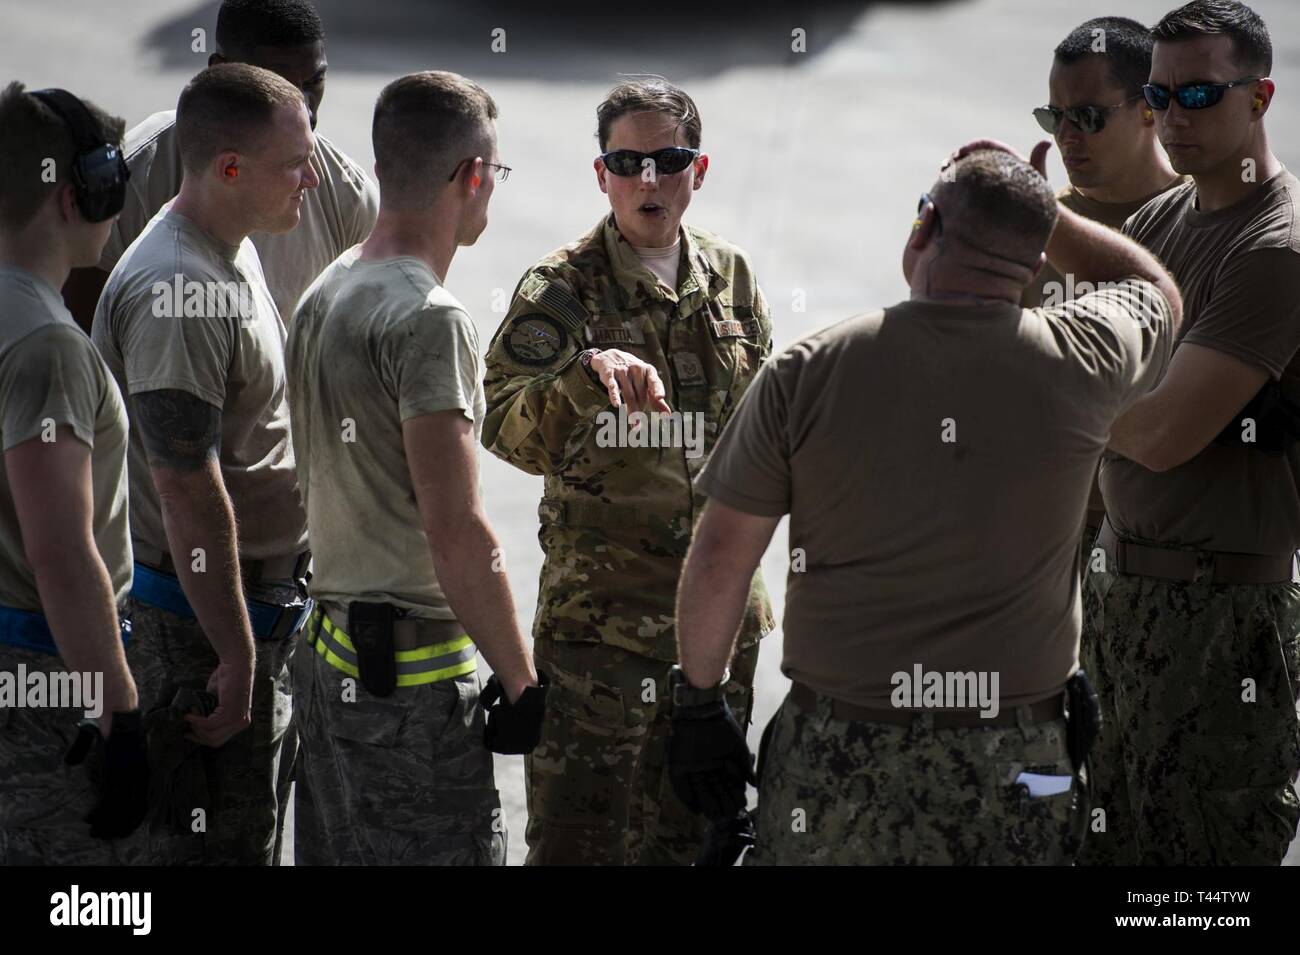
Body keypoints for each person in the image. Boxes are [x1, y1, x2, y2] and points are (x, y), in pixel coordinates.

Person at [670, 145, 1182, 865]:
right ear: (1036, 269)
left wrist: (697, 702)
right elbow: (1153, 286)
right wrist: (1048, 213)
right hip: (1020, 759)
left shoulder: (810, 370)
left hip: (839, 758)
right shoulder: (1086, 358)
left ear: (923, 227)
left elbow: (723, 553)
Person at [481, 77, 774, 865]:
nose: (648, 180)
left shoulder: (733, 278)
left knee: (693, 845)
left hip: (713, 638)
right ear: (601, 173)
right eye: (627, 161)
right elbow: (504, 429)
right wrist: (582, 377)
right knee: (583, 846)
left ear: (698, 169)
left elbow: (765, 439)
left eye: (667, 159)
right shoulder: (561, 289)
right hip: (599, 645)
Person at [286, 70, 544, 866]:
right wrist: (521, 680)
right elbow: (458, 527)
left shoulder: (329, 286)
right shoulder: (430, 319)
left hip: (330, 669)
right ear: (472, 177)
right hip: (411, 695)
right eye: (494, 173)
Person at [1082, 0, 1300, 865]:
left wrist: (1055, 396)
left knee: (1200, 897)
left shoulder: (1274, 248)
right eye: (1159, 96)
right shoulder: (1158, 224)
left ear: (1261, 97)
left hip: (1219, 617)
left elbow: (1165, 431)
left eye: (1201, 95)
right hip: (1122, 600)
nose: (1174, 118)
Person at [92, 63, 315, 865]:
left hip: (230, 620)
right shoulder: (176, 286)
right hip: (191, 635)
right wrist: (234, 650)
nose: (314, 177)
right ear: (229, 168)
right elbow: (185, 485)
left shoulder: (229, 247)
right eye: (296, 163)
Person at [0, 82, 148, 863]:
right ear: (72, 193)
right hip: (45, 681)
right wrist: (119, 713)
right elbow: (59, 552)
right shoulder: (47, 345)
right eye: (110, 181)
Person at [62, 0, 377, 332]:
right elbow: (79, 329)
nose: (305, 108)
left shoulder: (349, 200)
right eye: (278, 85)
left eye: (314, 82)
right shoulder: (138, 174)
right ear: (220, 70)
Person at [1023, 15, 1186, 569]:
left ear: (1149, 108)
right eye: (1054, 116)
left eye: (1088, 117)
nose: (1066, 136)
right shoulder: (1037, 224)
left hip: (1156, 544)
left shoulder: (1203, 226)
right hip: (1043, 532)